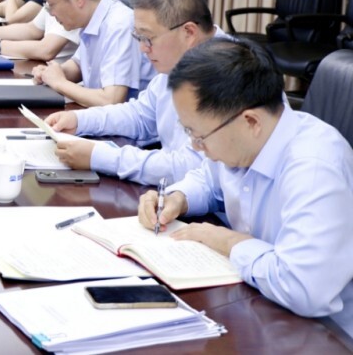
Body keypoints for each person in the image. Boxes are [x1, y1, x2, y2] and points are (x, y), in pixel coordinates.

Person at [138, 38, 353, 335]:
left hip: (323, 334)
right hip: (260, 304)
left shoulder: (314, 168)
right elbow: (208, 179)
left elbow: (303, 288)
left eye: (199, 136)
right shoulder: (241, 139)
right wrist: (179, 197)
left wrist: (228, 242)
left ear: (250, 121)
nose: (196, 146)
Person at [45, 0, 226, 184]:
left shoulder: (226, 73)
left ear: (189, 33)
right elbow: (140, 115)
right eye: (138, 37)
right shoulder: (179, 60)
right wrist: (79, 120)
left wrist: (100, 157)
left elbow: (188, 167)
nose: (142, 48)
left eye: (148, 38)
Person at [32, 0, 154, 106]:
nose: (50, 13)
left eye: (51, 4)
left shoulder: (119, 25)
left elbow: (111, 100)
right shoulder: (91, 19)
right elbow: (80, 65)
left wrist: (59, 83)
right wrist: (54, 72)